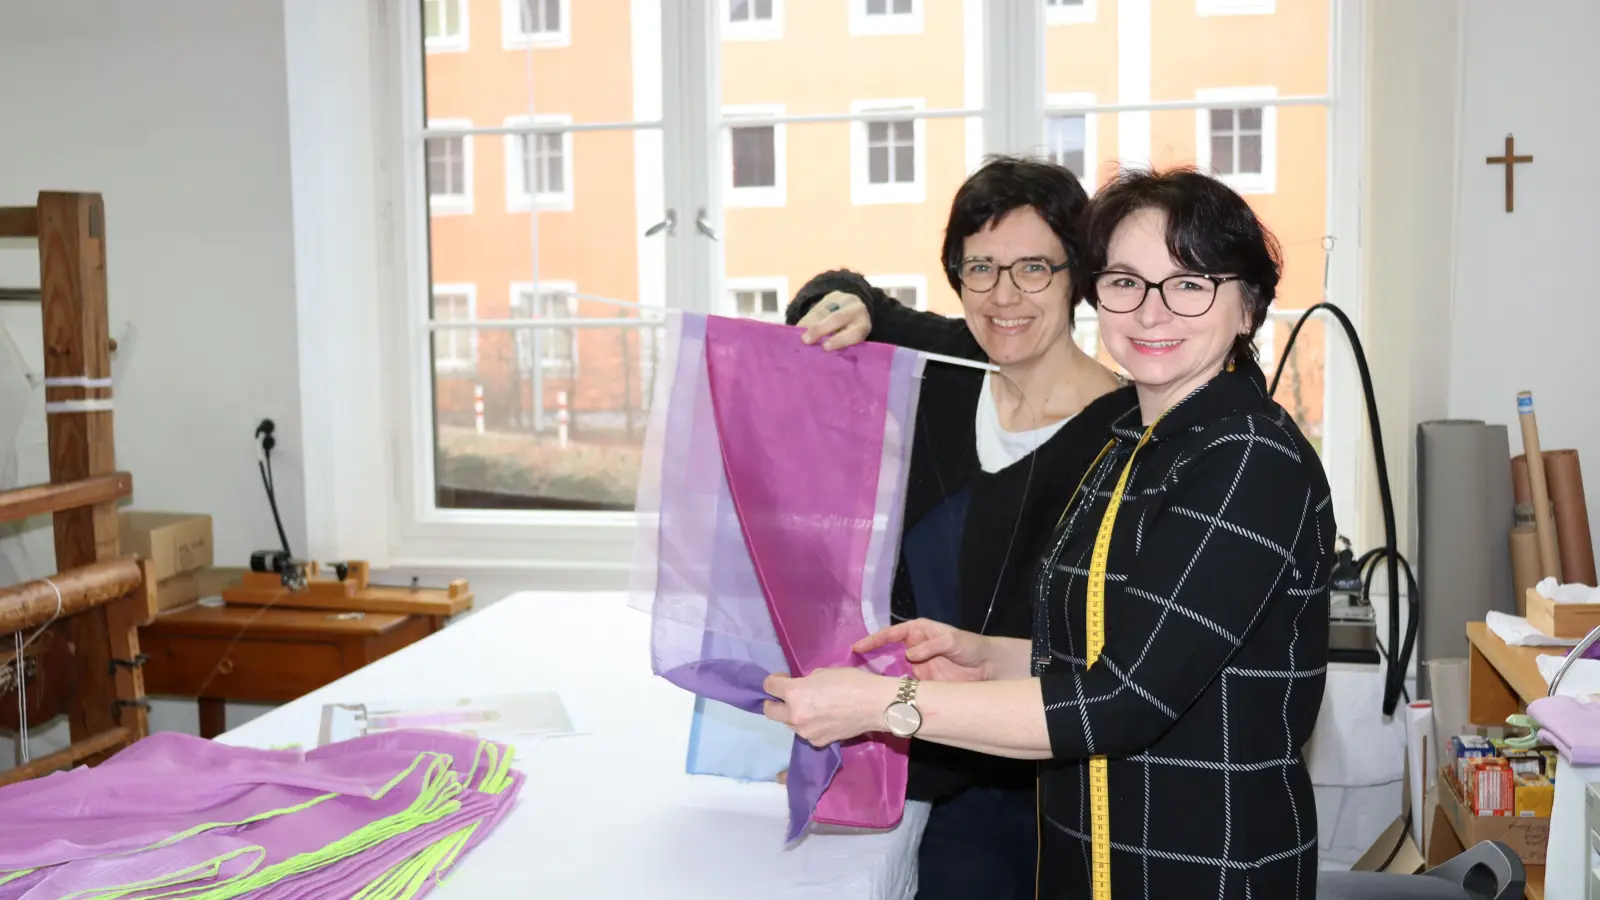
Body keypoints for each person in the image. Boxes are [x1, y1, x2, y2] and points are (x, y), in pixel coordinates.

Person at [764, 167, 1334, 900]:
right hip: (1092, 856)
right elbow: (1114, 649)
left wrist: (883, 704)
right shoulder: (1137, 444)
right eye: (1126, 282)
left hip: (1200, 869)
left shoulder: (1248, 459)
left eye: (1189, 284)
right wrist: (988, 657)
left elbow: (1122, 700)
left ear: (1248, 305)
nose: (1151, 310)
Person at [782, 155, 1128, 900]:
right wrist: (838, 303)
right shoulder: (945, 366)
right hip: (905, 759)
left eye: (1033, 268)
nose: (1004, 296)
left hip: (1048, 783)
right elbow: (837, 292)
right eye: (981, 268)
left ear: (1078, 275)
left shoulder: (1128, 435)